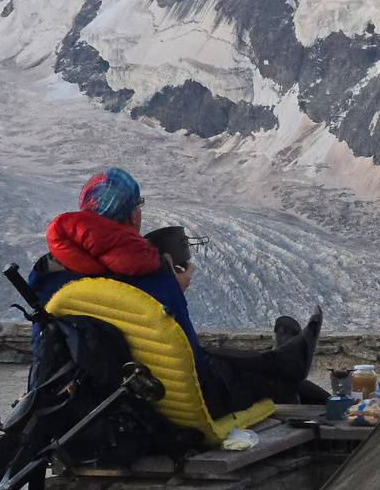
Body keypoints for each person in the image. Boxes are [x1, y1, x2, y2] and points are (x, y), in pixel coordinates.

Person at [32, 168, 324, 417]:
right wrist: (175, 288)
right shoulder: (149, 272)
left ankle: (286, 359)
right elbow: (188, 357)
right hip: (160, 408)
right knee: (248, 375)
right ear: (133, 216)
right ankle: (291, 362)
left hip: (77, 401)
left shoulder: (46, 271)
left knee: (229, 361)